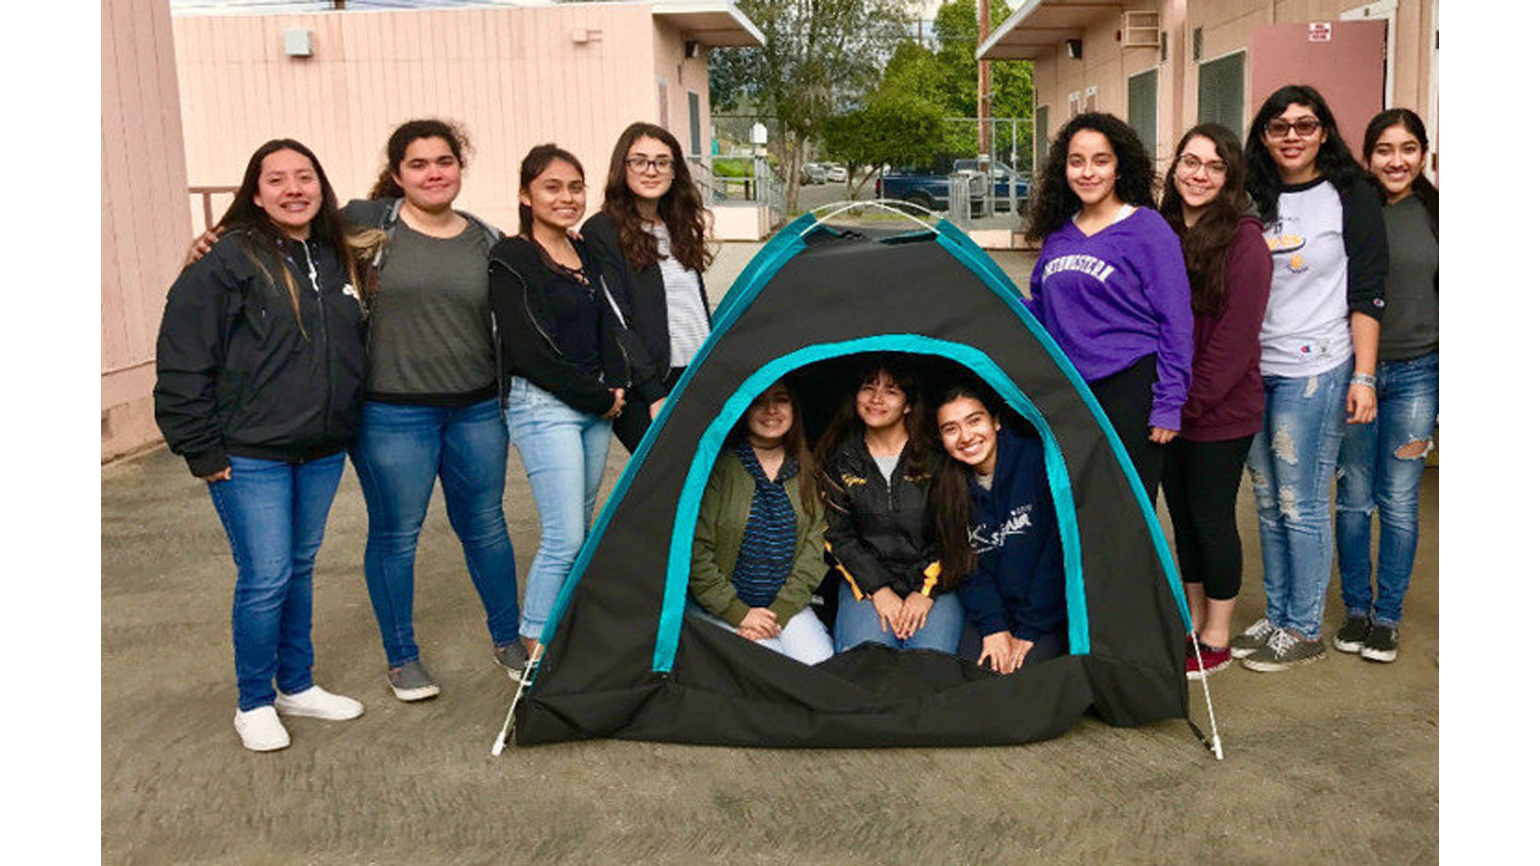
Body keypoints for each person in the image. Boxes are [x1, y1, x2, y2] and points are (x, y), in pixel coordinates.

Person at [155, 139, 379, 751]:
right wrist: (201, 449)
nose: (293, 189)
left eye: (305, 176)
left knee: (298, 569)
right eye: (276, 179)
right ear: (255, 193)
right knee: (265, 575)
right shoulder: (227, 260)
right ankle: (253, 701)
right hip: (249, 453)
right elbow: (182, 357)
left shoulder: (342, 254)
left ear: (322, 185)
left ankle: (296, 686)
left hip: (321, 448)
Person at [344, 119, 526, 701]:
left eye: (443, 162)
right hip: (393, 415)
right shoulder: (366, 226)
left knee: (487, 527)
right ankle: (402, 658)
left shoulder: (489, 239)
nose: (433, 174)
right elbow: (279, 223)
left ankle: (508, 640)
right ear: (397, 174)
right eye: (418, 165)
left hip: (475, 411)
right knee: (397, 535)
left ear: (460, 167)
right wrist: (212, 239)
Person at [1234, 85, 1387, 673]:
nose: (1291, 135)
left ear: (1324, 131)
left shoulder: (1350, 193)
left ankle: (1303, 627)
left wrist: (1365, 377)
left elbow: (1369, 290)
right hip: (1256, 370)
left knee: (1301, 502)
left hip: (1317, 370)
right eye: (1279, 126)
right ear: (1264, 136)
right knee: (1269, 502)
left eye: (1304, 124)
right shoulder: (1253, 196)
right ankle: (1277, 617)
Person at [489, 144, 662, 661]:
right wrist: (598, 397)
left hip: (593, 408)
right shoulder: (512, 257)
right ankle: (533, 645)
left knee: (580, 529)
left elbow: (611, 324)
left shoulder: (585, 251)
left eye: (574, 187)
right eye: (552, 187)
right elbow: (529, 349)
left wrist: (614, 387)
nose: (566, 197)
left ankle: (563, 629)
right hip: (544, 407)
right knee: (563, 536)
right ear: (525, 194)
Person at [1023, 112, 1193, 503]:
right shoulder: (1059, 235)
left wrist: (1169, 404)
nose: (1087, 172)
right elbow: (1043, 313)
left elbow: (1177, 322)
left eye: (1101, 160)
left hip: (1131, 388)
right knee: (1081, 508)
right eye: (1076, 161)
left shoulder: (1146, 229)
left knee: (1128, 511)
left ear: (1120, 167)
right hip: (1073, 393)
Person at [1155, 123, 1273, 679]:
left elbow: (1232, 343)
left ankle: (1219, 632)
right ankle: (1195, 621)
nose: (1199, 174)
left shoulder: (1246, 242)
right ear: (1175, 166)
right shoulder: (1160, 230)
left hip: (1217, 411)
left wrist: (1183, 407)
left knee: (1211, 517)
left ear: (1230, 178)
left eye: (1214, 166)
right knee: (1181, 518)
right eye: (1190, 161)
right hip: (1167, 410)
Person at [1331, 108, 1439, 665]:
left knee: (1398, 500)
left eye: (1408, 148)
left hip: (1420, 373)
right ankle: (1355, 608)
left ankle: (1387, 616)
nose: (1396, 160)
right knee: (1354, 498)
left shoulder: (1439, 213)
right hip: (1357, 373)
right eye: (1384, 150)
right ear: (1368, 156)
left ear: (1423, 153)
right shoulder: (1352, 208)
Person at [816, 358, 965, 653]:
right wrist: (879, 590)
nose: (876, 399)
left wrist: (925, 592)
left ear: (908, 404)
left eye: (891, 391)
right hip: (867, 583)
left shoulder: (935, 457)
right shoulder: (840, 459)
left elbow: (954, 530)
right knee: (866, 666)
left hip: (933, 583)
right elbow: (837, 535)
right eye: (868, 388)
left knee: (930, 667)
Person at [583, 122, 715, 452]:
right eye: (639, 160)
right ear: (622, 168)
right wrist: (654, 392)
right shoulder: (602, 231)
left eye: (662, 161)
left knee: (699, 478)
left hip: (694, 373)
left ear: (674, 171)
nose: (651, 170)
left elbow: (694, 306)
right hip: (646, 386)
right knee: (666, 475)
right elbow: (616, 320)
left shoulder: (679, 225)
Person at [688, 380, 834, 664]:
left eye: (781, 400)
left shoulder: (808, 469)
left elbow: (815, 553)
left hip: (784, 607)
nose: (770, 410)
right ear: (744, 409)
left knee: (819, 669)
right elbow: (695, 553)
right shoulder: (719, 468)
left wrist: (778, 612)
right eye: (759, 401)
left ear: (794, 409)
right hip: (723, 606)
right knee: (769, 670)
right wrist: (738, 613)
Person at [933, 387, 1067, 674]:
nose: (966, 436)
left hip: (1045, 613)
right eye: (951, 429)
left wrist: (1030, 630)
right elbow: (965, 568)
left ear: (996, 421)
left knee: (1024, 682)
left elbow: (1057, 555)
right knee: (973, 676)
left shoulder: (1036, 462)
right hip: (995, 612)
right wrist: (993, 626)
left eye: (974, 421)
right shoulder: (948, 487)